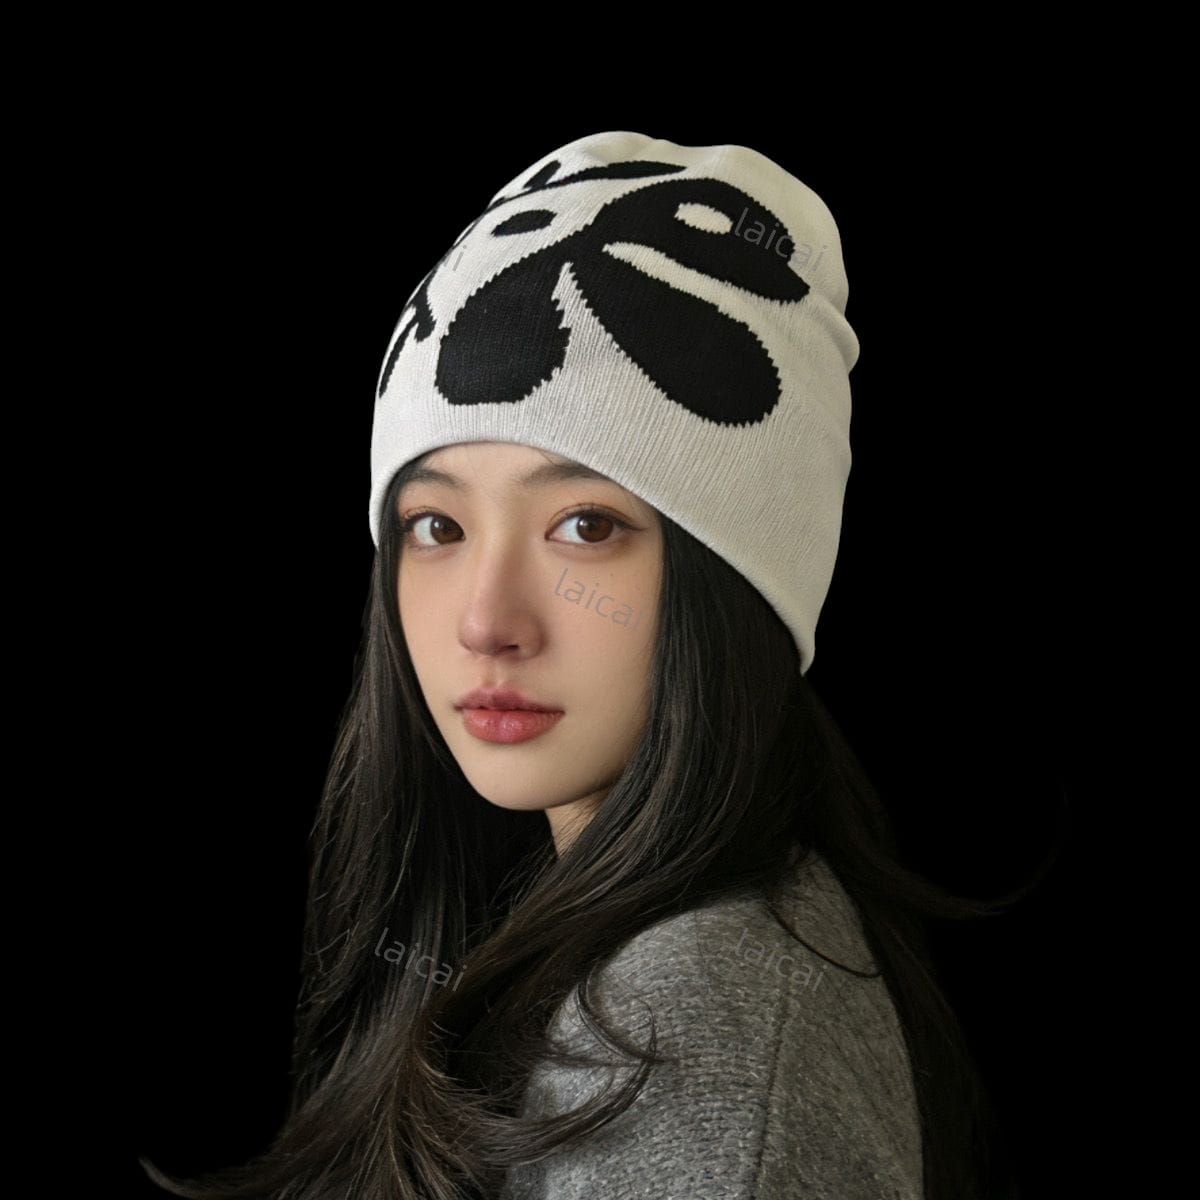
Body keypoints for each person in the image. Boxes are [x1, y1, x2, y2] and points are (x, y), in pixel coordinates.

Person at [140, 131, 1031, 1199]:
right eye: (436, 526)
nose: (487, 622)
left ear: (736, 584)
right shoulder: (662, 964)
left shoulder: (690, 1030)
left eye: (585, 526)